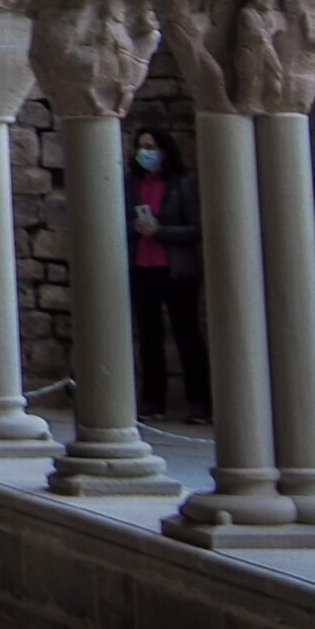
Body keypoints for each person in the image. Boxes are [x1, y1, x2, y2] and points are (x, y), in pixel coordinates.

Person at [127, 120, 212, 423]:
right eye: (140, 147)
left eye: (150, 147)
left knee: (186, 334)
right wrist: (136, 228)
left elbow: (195, 229)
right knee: (149, 336)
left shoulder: (180, 185)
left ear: (164, 151)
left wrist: (160, 231)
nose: (144, 152)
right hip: (143, 266)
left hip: (176, 270)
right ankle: (153, 400)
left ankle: (201, 401)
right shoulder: (133, 185)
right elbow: (122, 220)